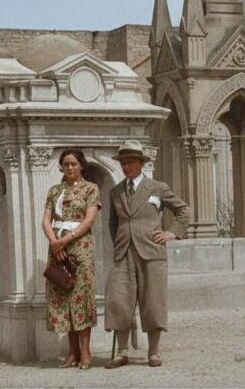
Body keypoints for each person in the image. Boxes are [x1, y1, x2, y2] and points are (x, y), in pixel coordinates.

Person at [104, 140, 190, 369]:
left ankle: (154, 352)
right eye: (123, 163)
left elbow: (183, 210)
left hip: (152, 252)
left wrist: (172, 233)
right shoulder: (115, 191)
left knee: (153, 302)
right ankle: (122, 352)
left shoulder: (157, 188)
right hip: (123, 253)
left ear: (141, 163)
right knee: (119, 300)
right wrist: (120, 241)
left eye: (130, 162)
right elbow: (113, 223)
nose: (126, 166)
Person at [42, 149, 101, 370]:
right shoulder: (54, 191)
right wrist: (54, 243)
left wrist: (66, 240)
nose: (69, 168)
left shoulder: (90, 189)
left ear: (81, 166)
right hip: (58, 248)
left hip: (80, 246)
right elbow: (46, 220)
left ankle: (85, 352)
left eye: (73, 164)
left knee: (81, 297)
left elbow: (89, 220)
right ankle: (71, 352)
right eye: (66, 164)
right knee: (64, 295)